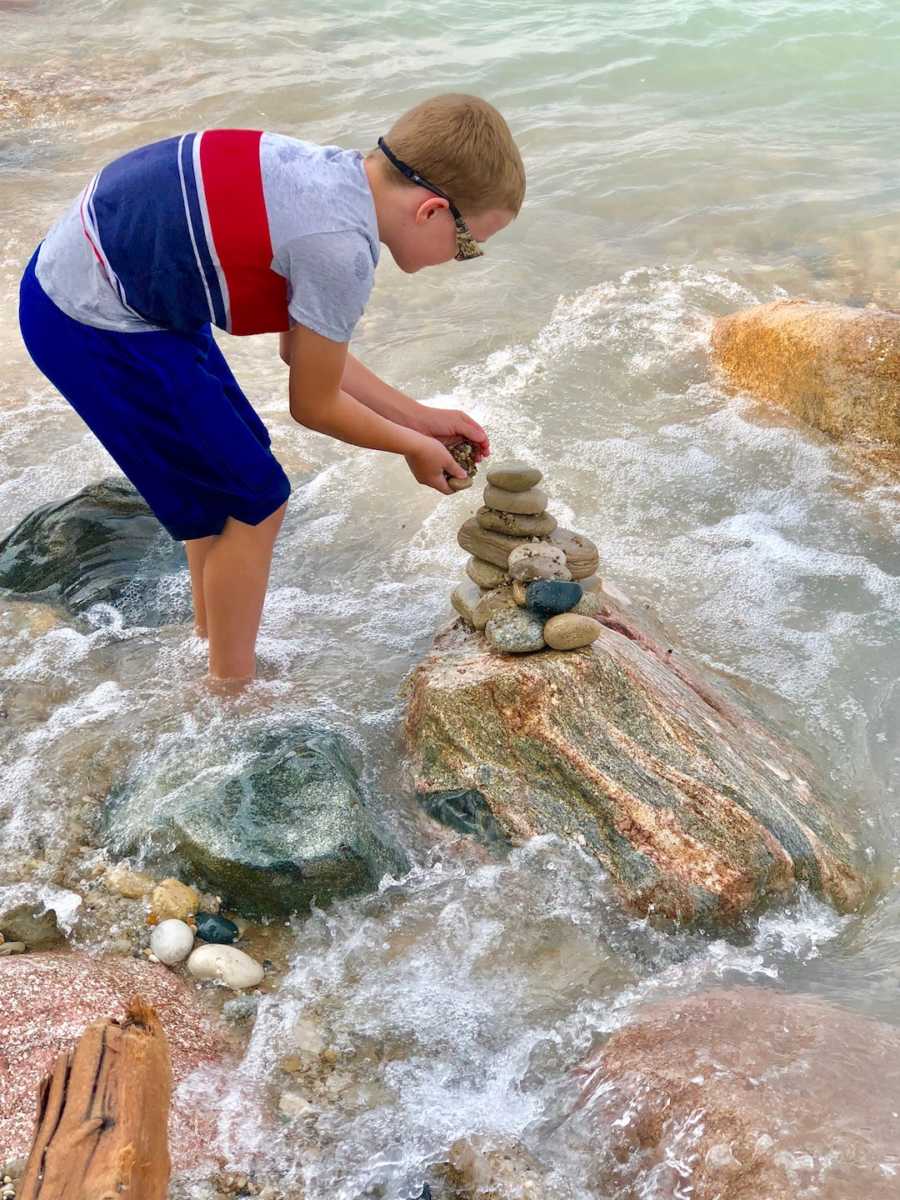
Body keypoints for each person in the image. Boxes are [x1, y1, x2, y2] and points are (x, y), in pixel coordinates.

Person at [18, 93, 526, 685]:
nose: (460, 259)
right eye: (468, 244)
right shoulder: (341, 249)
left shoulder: (331, 178)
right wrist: (411, 448)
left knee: (233, 472)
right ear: (431, 211)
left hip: (109, 285)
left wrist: (420, 419)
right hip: (92, 318)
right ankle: (230, 691)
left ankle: (211, 644)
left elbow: (303, 353)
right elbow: (312, 404)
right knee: (258, 498)